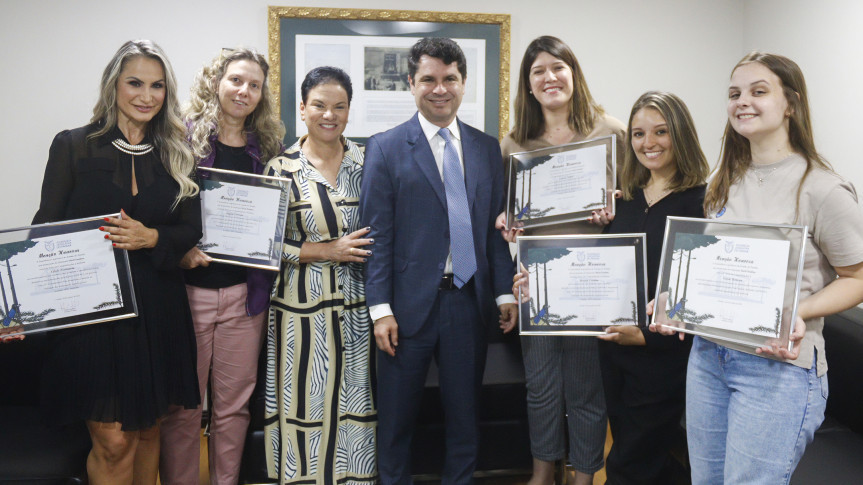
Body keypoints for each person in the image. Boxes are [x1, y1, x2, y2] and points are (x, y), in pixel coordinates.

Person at [651, 52, 863, 484]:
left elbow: (857, 278)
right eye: (734, 93)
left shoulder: (822, 187)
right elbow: (715, 267)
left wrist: (798, 313)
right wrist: (678, 298)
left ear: (791, 103)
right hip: (709, 357)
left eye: (758, 91)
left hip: (778, 369)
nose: (742, 101)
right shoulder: (722, 181)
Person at [31, 40, 200, 484]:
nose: (146, 96)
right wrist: (20, 305)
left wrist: (153, 237)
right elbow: (43, 231)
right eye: (135, 83)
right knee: (113, 442)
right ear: (114, 86)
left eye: (157, 86)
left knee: (146, 434)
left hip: (157, 306)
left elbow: (191, 229)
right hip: (92, 317)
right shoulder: (73, 146)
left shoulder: (177, 153)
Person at [360, 37, 517, 484]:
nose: (439, 88)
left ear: (463, 83)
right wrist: (380, 309)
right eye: (428, 79)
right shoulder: (386, 147)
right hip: (405, 310)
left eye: (449, 78)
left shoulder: (487, 149)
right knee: (396, 424)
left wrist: (504, 291)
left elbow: (494, 231)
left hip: (467, 303)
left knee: (465, 422)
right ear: (411, 83)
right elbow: (377, 238)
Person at [497, 35, 625, 485]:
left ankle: (585, 475)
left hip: (594, 280)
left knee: (587, 388)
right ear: (528, 85)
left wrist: (615, 211)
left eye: (558, 67)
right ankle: (543, 472)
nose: (549, 77)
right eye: (538, 71)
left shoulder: (609, 130)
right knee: (542, 387)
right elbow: (506, 211)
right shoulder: (514, 143)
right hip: (537, 279)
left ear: (574, 74)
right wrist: (506, 220)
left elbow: (635, 204)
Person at [158, 47, 284, 485]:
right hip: (187, 292)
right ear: (216, 81)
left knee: (233, 409)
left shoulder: (268, 148)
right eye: (236, 80)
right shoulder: (178, 137)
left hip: (244, 296)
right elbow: (157, 210)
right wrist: (179, 250)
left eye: (254, 85)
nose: (244, 91)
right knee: (183, 407)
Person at [262, 66, 376, 484]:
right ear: (302, 108)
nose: (330, 115)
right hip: (301, 315)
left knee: (356, 406)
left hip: (360, 310)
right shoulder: (281, 168)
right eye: (320, 105)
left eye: (340, 106)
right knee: (306, 407)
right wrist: (326, 250)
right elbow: (265, 246)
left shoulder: (369, 161)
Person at [594, 91, 708, 484]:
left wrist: (645, 337)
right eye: (639, 134)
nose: (648, 143)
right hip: (613, 351)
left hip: (664, 355)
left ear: (681, 135)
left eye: (661, 132)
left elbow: (703, 290)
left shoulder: (705, 202)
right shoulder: (622, 200)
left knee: (629, 464)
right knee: (636, 450)